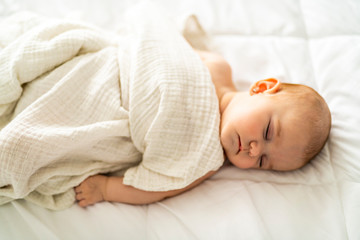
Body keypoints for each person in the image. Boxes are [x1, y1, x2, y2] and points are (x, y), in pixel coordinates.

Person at [74, 49, 331, 207]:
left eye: (263, 161)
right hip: (114, 75)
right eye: (267, 133)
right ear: (262, 88)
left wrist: (107, 189)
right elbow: (164, 48)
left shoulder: (207, 160)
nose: (253, 151)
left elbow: (159, 187)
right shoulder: (217, 67)